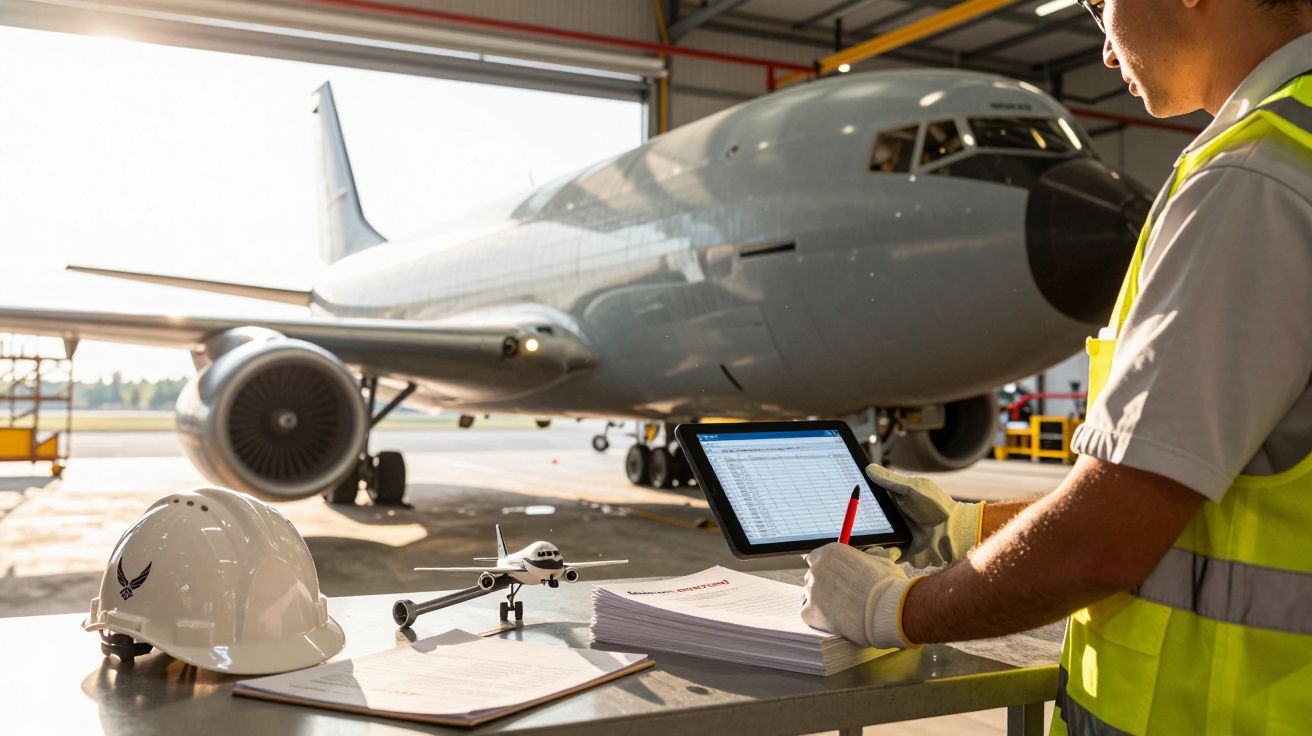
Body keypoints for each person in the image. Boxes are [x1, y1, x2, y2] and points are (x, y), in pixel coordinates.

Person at [802, 1, 1312, 733]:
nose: (1105, 50)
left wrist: (892, 608)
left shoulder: (1255, 177)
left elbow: (1107, 538)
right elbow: (1206, 500)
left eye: (1101, 4)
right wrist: (969, 528)